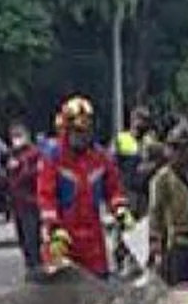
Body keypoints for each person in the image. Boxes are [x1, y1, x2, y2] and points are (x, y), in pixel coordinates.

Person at [38, 96, 132, 277]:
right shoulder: (53, 157)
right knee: (62, 289)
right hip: (63, 235)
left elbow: (113, 188)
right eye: (77, 131)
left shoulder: (100, 157)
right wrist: (54, 228)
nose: (82, 137)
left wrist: (120, 209)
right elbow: (46, 197)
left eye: (86, 131)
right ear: (66, 130)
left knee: (98, 284)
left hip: (92, 236)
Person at [148, 122, 188, 286]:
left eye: (180, 148)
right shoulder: (163, 178)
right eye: (172, 147)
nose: (174, 153)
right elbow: (156, 215)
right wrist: (156, 247)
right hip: (178, 247)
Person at [6, 121, 46, 274]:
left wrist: (20, 168)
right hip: (18, 204)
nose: (16, 139)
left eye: (19, 135)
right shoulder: (13, 155)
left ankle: (37, 269)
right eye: (13, 136)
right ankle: (30, 268)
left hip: (31, 202)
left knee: (32, 240)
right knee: (23, 240)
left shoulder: (34, 154)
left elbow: (36, 174)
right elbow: (10, 179)